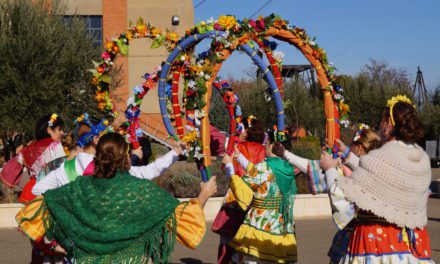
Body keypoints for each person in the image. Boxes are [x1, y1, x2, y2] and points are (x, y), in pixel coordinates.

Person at [16, 132, 217, 263]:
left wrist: (63, 242)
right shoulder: (138, 189)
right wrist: (204, 195)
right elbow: (185, 221)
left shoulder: (78, 189)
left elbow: (37, 207)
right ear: (124, 157)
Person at [320, 95, 433, 263]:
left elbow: (344, 202)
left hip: (374, 246)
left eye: (382, 120)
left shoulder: (380, 158)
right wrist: (347, 155)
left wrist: (329, 169)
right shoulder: (421, 160)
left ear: (388, 124)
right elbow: (381, 176)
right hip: (408, 247)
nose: (380, 125)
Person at [32, 116, 183, 196]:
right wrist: (175, 153)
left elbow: (38, 190)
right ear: (97, 139)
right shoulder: (116, 169)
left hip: (79, 245)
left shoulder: (67, 168)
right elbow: (151, 171)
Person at [223, 140, 298, 263]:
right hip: (281, 225)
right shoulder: (288, 168)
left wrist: (229, 166)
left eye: (267, 144)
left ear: (273, 146)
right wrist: (240, 157)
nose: (265, 148)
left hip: (261, 223)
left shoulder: (264, 167)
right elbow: (261, 175)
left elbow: (243, 188)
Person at [213, 117, 267, 264]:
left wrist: (236, 141)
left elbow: (225, 165)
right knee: (248, 238)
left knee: (227, 236)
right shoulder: (264, 151)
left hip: (235, 195)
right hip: (255, 197)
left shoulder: (238, 148)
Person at [0, 113, 66, 203]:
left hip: (30, 192)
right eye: (60, 129)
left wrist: (8, 191)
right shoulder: (55, 146)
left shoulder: (28, 148)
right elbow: (62, 173)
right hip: (49, 193)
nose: (62, 133)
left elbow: (9, 168)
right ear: (49, 130)